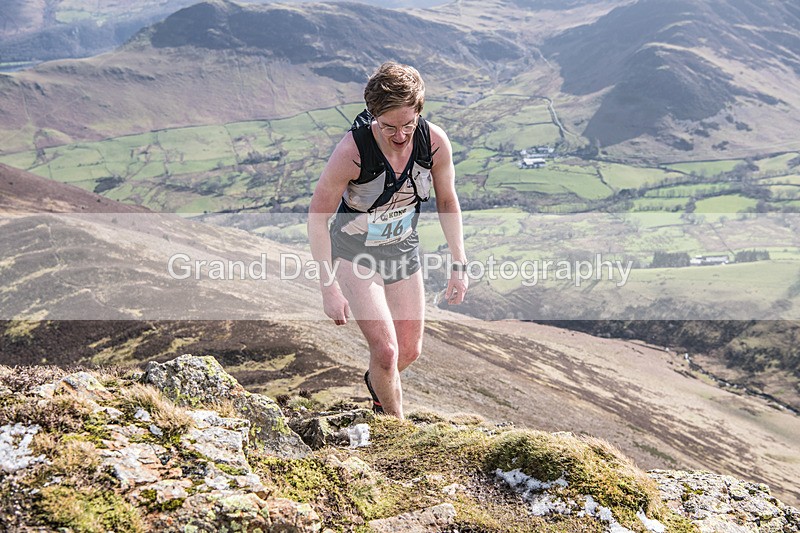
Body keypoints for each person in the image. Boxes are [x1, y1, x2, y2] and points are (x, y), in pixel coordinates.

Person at [308, 61, 468, 419]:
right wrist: (327, 285)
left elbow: (446, 200)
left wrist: (459, 264)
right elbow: (318, 215)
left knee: (409, 351)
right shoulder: (352, 152)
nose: (400, 136)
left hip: (402, 250)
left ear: (419, 112)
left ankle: (377, 386)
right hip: (354, 253)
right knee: (386, 353)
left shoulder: (434, 142)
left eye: (408, 125)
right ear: (373, 116)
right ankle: (395, 429)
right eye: (389, 127)